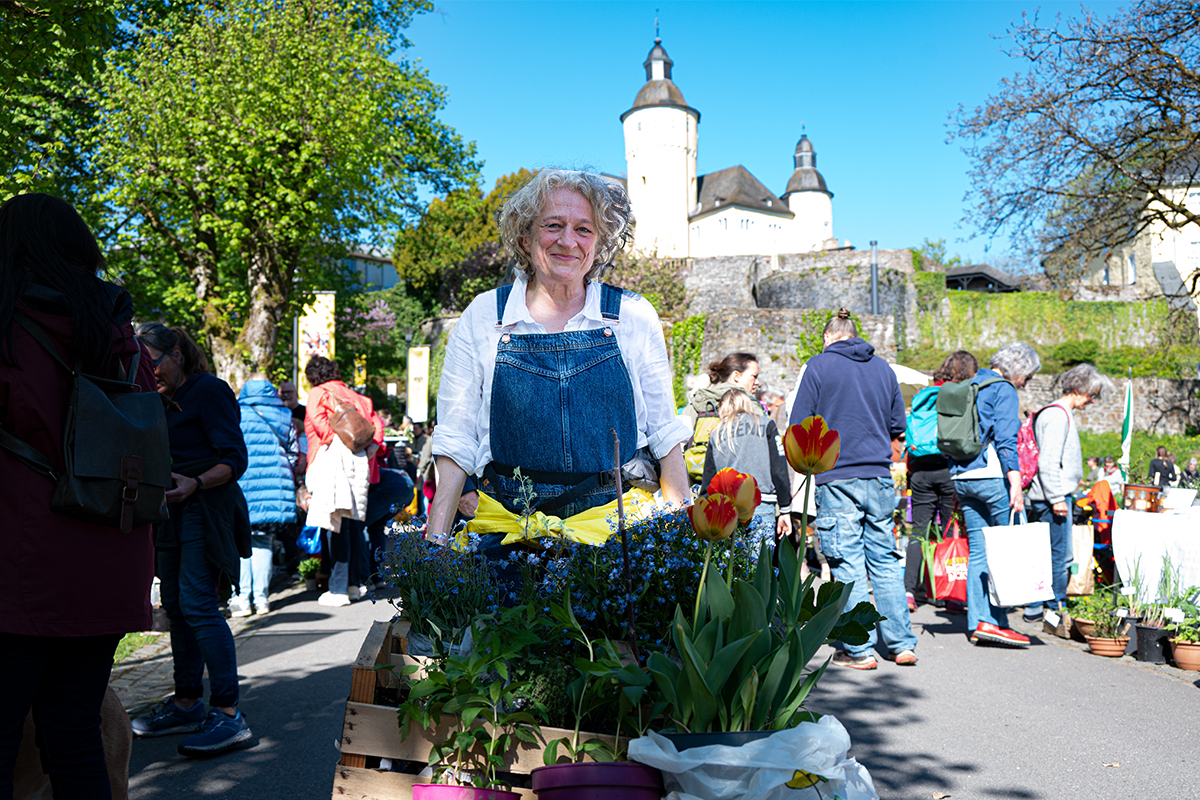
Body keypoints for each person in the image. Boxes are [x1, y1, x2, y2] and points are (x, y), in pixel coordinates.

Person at [427, 168, 691, 546]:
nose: (568, 241)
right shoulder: (485, 316)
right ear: (525, 235)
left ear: (599, 244)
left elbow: (666, 434)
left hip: (615, 538)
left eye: (584, 229)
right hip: (508, 538)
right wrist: (434, 547)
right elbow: (455, 440)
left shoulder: (632, 315)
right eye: (553, 225)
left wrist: (683, 540)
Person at [0, 194, 157, 797]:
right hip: (109, 561)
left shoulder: (9, 328)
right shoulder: (121, 335)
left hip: (22, 562)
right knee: (74, 735)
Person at [131, 322, 253, 756]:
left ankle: (228, 712)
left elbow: (234, 459)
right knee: (178, 607)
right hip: (168, 513)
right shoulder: (155, 401)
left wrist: (196, 483)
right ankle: (186, 702)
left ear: (177, 354)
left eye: (153, 362)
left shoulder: (209, 390)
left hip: (206, 508)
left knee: (199, 604)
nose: (149, 372)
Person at [791, 308, 917, 669]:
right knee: (885, 560)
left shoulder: (818, 366)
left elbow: (800, 425)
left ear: (829, 337)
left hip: (837, 475)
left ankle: (859, 650)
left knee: (847, 562)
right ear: (855, 334)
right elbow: (897, 424)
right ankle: (901, 644)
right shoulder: (884, 369)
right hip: (878, 475)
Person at [948, 342, 1041, 648]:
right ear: (1017, 368)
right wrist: (1015, 482)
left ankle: (979, 622)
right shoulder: (1003, 389)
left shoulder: (969, 384)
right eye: (1026, 375)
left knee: (978, 550)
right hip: (990, 476)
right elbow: (1005, 439)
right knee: (1006, 548)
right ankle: (998, 622)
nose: (1026, 382)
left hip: (962, 476)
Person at [1023, 363, 1105, 622]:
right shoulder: (1058, 415)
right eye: (1092, 394)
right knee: (1059, 554)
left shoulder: (1053, 413)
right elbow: (1048, 461)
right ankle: (1054, 607)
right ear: (1078, 389)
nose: (1092, 401)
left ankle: (1037, 606)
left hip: (1045, 495)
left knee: (1043, 552)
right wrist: (1058, 497)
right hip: (1051, 498)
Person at [302, 356, 384, 607]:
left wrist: (337, 442)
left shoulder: (318, 393)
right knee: (352, 526)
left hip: (331, 464)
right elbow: (377, 429)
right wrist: (364, 450)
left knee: (333, 523)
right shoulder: (359, 397)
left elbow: (320, 424)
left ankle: (337, 590)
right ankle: (353, 585)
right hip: (361, 468)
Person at [903, 350, 976, 611]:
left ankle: (910, 591)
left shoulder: (924, 394)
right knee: (949, 531)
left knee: (919, 531)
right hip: (947, 468)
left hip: (921, 469)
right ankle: (949, 594)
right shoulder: (958, 394)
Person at [230, 374, 299, 617]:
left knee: (239, 541)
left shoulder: (235, 411)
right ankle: (261, 599)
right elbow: (293, 454)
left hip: (241, 485)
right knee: (262, 542)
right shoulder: (284, 414)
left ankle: (241, 598)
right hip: (273, 490)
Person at [699, 388, 792, 553]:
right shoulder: (765, 424)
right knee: (759, 570)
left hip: (726, 509)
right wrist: (785, 508)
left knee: (731, 569)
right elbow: (779, 469)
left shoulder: (717, 433)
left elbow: (708, 479)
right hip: (760, 503)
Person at [682, 352, 761, 428]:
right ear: (736, 376)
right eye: (754, 376)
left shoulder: (697, 402)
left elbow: (680, 440)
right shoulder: (750, 405)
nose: (757, 382)